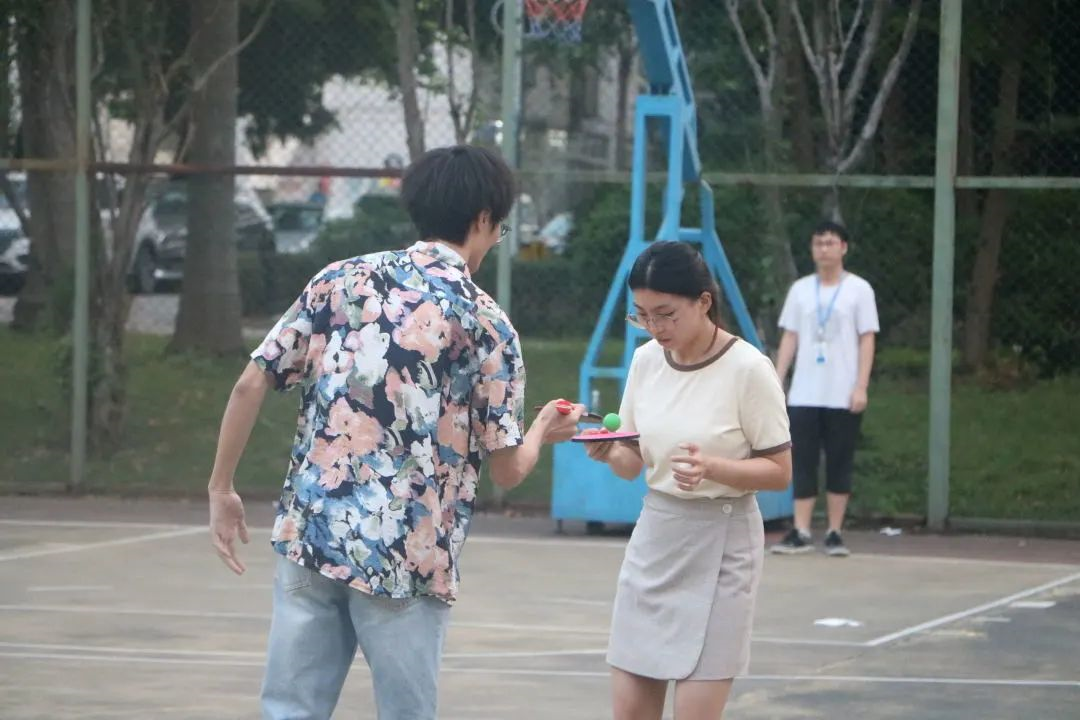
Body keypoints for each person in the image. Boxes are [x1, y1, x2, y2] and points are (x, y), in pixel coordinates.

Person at [205, 144, 584, 720]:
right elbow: (508, 470)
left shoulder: (338, 281)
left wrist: (221, 487)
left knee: (290, 709)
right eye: (500, 229)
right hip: (407, 551)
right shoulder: (486, 323)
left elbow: (249, 384)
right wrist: (542, 430)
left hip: (313, 532)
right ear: (483, 219)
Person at [583, 241, 792, 720]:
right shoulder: (646, 361)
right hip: (656, 537)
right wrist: (608, 450)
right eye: (642, 316)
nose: (655, 328)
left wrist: (714, 467)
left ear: (703, 301)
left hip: (723, 542)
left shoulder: (748, 369)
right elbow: (632, 463)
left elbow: (780, 471)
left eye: (666, 314)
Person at [770, 220, 879, 557]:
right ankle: (801, 530)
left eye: (830, 243)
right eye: (818, 243)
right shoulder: (800, 290)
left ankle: (834, 531)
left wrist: (861, 386)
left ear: (843, 248)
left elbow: (867, 338)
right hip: (805, 392)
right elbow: (790, 336)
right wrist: (778, 379)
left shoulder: (859, 289)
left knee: (839, 459)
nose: (824, 249)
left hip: (842, 393)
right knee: (801, 459)